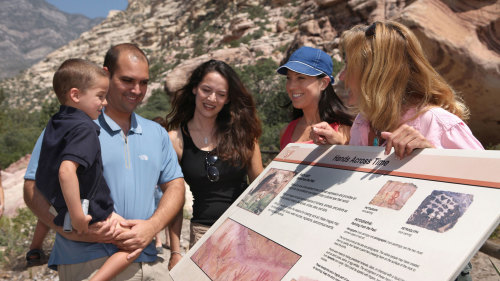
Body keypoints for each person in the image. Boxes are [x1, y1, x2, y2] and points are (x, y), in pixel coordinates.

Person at [312, 21, 482, 281]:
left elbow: (487, 193)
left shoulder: (437, 122)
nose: (342, 76)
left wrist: (432, 156)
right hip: (377, 261)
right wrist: (340, 151)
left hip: (434, 267)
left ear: (376, 74)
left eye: (349, 67)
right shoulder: (362, 124)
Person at [23, 43, 185, 281]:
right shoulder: (70, 127)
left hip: (150, 262)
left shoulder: (156, 133)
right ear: (106, 74)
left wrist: (152, 227)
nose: (137, 90)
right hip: (87, 265)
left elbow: (176, 186)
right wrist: (70, 228)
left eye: (144, 82)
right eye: (128, 80)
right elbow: (31, 188)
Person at [34, 58, 137, 280]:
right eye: (100, 96)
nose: (105, 103)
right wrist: (79, 216)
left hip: (60, 209)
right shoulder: (85, 128)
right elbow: (66, 171)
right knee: (135, 244)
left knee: (121, 222)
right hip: (88, 212)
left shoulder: (56, 122)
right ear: (76, 95)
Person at [166, 60, 263, 266]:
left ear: (228, 99)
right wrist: (175, 251)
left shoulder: (244, 134)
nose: (212, 99)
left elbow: (260, 186)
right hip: (203, 235)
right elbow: (174, 199)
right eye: (206, 90)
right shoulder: (174, 140)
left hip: (245, 232)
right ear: (194, 89)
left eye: (221, 94)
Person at [276, 46, 353, 151]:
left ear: (323, 83)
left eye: (301, 78)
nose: (291, 86)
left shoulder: (345, 131)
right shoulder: (285, 132)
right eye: (288, 78)